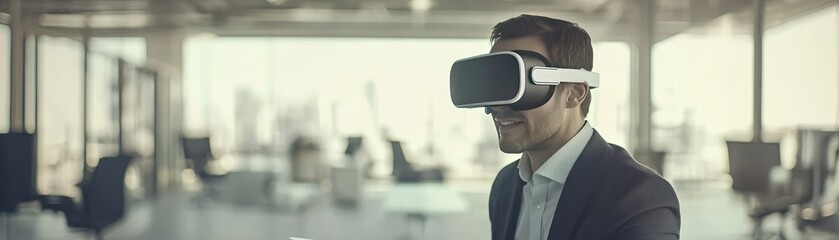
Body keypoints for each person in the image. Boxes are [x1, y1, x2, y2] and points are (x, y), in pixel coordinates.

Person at [485, 15, 680, 240]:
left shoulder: (640, 196)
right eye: (496, 85)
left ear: (574, 94)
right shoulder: (505, 186)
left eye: (519, 86)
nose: (497, 106)